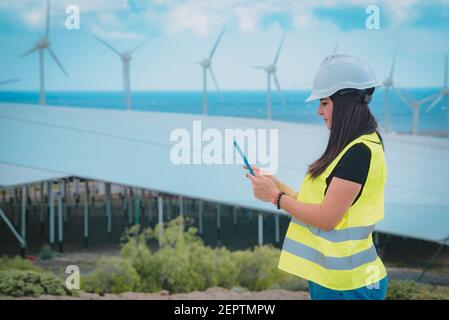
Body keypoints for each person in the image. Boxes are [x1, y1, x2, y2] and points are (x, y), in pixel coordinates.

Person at [245, 54, 388, 300]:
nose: (318, 111)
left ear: (344, 104)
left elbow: (327, 218)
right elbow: (322, 203)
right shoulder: (355, 145)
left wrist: (276, 198)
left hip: (349, 284)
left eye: (324, 103)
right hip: (335, 278)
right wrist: (276, 185)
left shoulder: (358, 153)